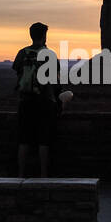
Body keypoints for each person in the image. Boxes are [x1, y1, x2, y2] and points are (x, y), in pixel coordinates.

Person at [12, 22, 68, 178]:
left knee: (24, 140)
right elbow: (55, 80)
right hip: (45, 101)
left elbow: (18, 74)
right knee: (44, 140)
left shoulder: (22, 53)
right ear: (44, 36)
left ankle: (21, 175)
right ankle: (44, 175)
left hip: (25, 101)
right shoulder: (49, 54)